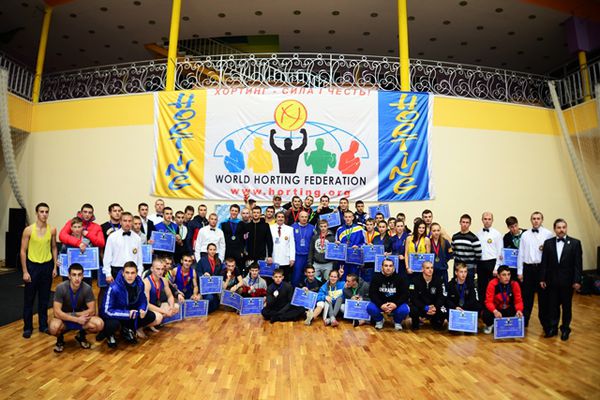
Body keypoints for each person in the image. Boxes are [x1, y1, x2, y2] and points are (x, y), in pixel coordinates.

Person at [539, 219, 583, 341]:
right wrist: (542, 278)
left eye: (563, 227)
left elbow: (578, 264)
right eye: (559, 227)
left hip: (568, 282)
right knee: (553, 306)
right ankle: (553, 328)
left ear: (566, 228)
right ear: (554, 229)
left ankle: (565, 329)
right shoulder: (548, 243)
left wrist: (577, 280)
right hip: (551, 280)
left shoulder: (575, 243)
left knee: (566, 307)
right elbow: (544, 263)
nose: (561, 230)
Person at [21, 202, 58, 338]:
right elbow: (23, 251)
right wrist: (25, 271)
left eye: (46, 212)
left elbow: (54, 247)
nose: (44, 214)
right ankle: (27, 327)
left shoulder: (52, 229)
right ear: (37, 213)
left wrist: (54, 267)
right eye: (41, 212)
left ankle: (43, 325)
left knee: (44, 299)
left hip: (47, 266)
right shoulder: (28, 230)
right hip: (32, 266)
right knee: (29, 299)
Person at [98, 262, 156, 347]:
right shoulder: (114, 287)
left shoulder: (140, 283)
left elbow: (143, 299)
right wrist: (127, 314)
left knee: (150, 316)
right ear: (123, 273)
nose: (130, 276)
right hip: (115, 316)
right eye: (127, 273)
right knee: (112, 324)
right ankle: (110, 335)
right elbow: (105, 311)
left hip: (130, 314)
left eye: (132, 273)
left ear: (136, 273)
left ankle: (127, 330)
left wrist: (143, 309)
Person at [48, 263, 103, 352]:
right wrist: (76, 319)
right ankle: (60, 339)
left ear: (83, 276)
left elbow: (92, 311)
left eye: (79, 275)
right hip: (65, 320)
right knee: (53, 328)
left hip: (81, 319)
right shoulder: (61, 288)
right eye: (74, 275)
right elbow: (57, 312)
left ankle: (81, 335)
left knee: (99, 324)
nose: (77, 278)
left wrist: (76, 316)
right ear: (69, 276)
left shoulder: (87, 288)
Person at [517, 211, 553, 328]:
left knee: (543, 298)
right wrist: (520, 271)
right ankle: (524, 322)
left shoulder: (548, 234)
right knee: (527, 297)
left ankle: (545, 323)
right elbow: (521, 254)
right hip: (528, 269)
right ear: (531, 220)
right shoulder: (525, 235)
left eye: (538, 218)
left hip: (542, 269)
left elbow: (551, 255)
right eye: (534, 218)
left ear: (542, 220)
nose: (536, 221)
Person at [367, 258, 410, 330]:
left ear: (393, 267)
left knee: (405, 309)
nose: (388, 268)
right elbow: (372, 294)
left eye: (390, 266)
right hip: (381, 304)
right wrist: (381, 305)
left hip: (395, 304)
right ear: (382, 267)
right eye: (386, 266)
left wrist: (395, 304)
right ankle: (379, 320)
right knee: (370, 307)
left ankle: (397, 322)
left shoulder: (400, 278)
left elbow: (405, 294)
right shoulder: (376, 278)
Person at [103, 212, 143, 283]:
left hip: (132, 271)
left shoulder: (137, 238)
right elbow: (107, 257)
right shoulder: (112, 237)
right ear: (120, 222)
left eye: (129, 221)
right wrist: (108, 274)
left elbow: (139, 258)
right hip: (116, 270)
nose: (127, 223)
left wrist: (139, 273)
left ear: (132, 222)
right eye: (125, 221)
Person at [482, 265, 524, 334]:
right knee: (486, 314)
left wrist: (519, 310)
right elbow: (488, 302)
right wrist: (495, 311)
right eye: (504, 275)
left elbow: (518, 301)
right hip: (496, 310)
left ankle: (508, 324)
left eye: (508, 274)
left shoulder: (514, 284)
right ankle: (490, 325)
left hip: (508, 308)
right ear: (498, 276)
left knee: (521, 312)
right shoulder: (492, 284)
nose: (507, 277)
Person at [143, 258, 180, 334]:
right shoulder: (146, 282)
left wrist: (171, 307)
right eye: (158, 269)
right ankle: (140, 327)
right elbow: (147, 304)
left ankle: (153, 324)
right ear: (152, 269)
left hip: (156, 305)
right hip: (146, 309)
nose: (160, 272)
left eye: (162, 269)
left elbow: (170, 296)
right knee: (159, 317)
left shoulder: (164, 280)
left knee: (176, 307)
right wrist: (164, 311)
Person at [409, 261, 448, 331]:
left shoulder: (439, 280)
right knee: (413, 309)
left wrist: (435, 307)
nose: (430, 270)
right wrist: (425, 307)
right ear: (422, 269)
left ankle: (435, 321)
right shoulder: (414, 281)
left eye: (432, 268)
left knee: (444, 311)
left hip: (434, 307)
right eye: (427, 268)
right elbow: (413, 298)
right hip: (421, 307)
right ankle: (416, 322)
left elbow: (442, 296)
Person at [476, 212, 502, 305]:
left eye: (489, 219)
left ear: (492, 220)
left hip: (492, 263)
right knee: (481, 287)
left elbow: (500, 252)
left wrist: (496, 268)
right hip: (480, 263)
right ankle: (482, 308)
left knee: (493, 288)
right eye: (485, 219)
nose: (487, 221)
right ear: (482, 220)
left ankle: (493, 308)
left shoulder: (497, 234)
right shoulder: (478, 234)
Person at [451, 214, 482, 283]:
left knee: (469, 287)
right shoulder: (455, 237)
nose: (465, 224)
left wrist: (475, 266)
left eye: (467, 222)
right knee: (456, 287)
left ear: (470, 224)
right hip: (457, 268)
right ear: (460, 223)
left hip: (469, 269)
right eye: (463, 222)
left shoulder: (474, 238)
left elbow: (478, 255)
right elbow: (453, 251)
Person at [335, 210, 365, 277]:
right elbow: (336, 245)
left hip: (355, 258)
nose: (348, 219)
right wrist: (337, 244)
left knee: (354, 278)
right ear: (343, 218)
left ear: (353, 218)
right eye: (346, 217)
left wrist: (358, 246)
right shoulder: (339, 229)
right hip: (343, 259)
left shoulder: (359, 229)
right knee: (342, 277)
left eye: (349, 217)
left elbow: (365, 243)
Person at [245, 206, 274, 274]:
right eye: (254, 212)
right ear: (251, 214)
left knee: (261, 275)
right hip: (249, 257)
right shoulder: (247, 226)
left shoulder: (265, 226)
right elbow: (244, 241)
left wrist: (270, 255)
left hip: (261, 257)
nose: (256, 214)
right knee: (249, 275)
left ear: (260, 214)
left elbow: (269, 241)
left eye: (258, 213)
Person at [196, 243, 223, 313]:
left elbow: (220, 274)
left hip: (214, 287)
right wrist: (203, 275)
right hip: (205, 287)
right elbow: (198, 272)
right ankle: (202, 310)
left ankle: (205, 310)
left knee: (216, 305)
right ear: (207, 250)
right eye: (210, 249)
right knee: (210, 298)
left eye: (214, 250)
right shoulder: (202, 260)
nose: (212, 251)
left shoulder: (218, 261)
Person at [220, 204, 247, 269]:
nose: (234, 212)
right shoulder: (223, 223)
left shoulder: (242, 224)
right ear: (230, 211)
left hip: (237, 250)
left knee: (238, 268)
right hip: (227, 250)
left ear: (238, 212)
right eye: (232, 210)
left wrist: (242, 251)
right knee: (226, 268)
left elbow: (244, 239)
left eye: (236, 211)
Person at [291, 210, 314, 287]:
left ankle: (307, 292)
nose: (304, 218)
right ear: (298, 217)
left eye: (306, 217)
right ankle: (295, 291)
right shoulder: (293, 227)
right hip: (297, 255)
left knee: (307, 276)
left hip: (308, 255)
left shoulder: (312, 228)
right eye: (302, 217)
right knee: (296, 276)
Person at [404, 218, 431, 283]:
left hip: (422, 269)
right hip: (411, 268)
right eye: (420, 227)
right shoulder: (409, 238)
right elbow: (406, 254)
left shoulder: (426, 239)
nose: (421, 229)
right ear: (416, 228)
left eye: (423, 228)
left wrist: (426, 269)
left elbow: (428, 256)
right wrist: (407, 267)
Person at [270, 212, 295, 281]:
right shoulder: (270, 228)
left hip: (285, 259)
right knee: (273, 278)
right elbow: (268, 244)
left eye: (282, 217)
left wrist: (292, 258)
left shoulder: (290, 229)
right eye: (278, 217)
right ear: (275, 218)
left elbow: (292, 245)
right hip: (273, 258)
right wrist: (267, 256)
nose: (280, 218)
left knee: (284, 279)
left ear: (284, 219)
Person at [503, 216, 524, 280]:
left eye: (515, 226)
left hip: (526, 265)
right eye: (511, 227)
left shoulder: (526, 233)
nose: (514, 228)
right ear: (508, 227)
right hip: (513, 267)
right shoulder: (506, 237)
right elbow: (505, 251)